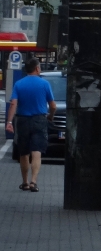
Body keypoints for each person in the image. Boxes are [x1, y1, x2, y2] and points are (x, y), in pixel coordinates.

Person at [6, 58, 56, 192]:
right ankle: (34, 181)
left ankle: (25, 182)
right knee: (37, 152)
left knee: (24, 153)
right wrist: (50, 116)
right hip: (39, 120)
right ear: (37, 68)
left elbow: (13, 104)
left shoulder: (19, 84)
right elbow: (52, 105)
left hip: (22, 120)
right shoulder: (44, 84)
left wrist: (9, 122)